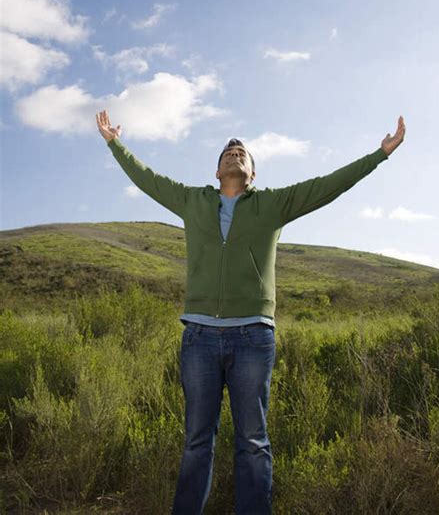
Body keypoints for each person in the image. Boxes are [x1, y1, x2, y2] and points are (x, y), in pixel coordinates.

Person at [96, 110, 406, 515]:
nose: (234, 153)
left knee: (253, 442)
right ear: (217, 169)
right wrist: (114, 144)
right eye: (228, 152)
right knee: (195, 442)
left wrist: (379, 154)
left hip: (253, 338)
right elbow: (148, 179)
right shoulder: (193, 201)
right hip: (199, 338)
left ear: (252, 174)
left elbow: (327, 186)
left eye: (242, 153)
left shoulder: (273, 206)